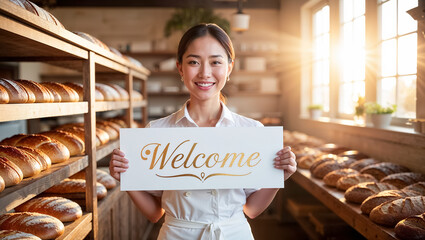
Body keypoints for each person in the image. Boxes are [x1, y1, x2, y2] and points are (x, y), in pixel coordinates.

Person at [109, 23, 297, 240]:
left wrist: (278, 176)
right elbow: (154, 213)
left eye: (216, 62)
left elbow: (252, 209)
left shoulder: (251, 131)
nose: (205, 73)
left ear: (229, 68)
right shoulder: (157, 132)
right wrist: (127, 178)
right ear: (180, 68)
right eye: (193, 62)